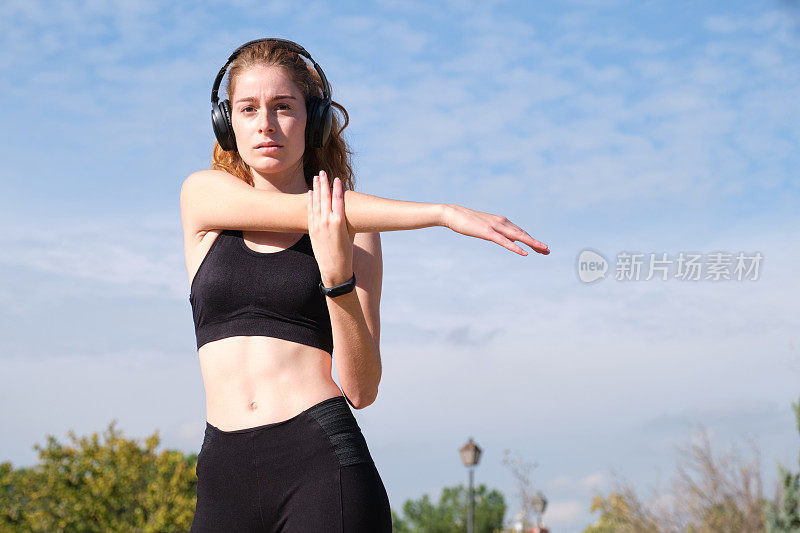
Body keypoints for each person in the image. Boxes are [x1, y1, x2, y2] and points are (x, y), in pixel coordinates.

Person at [180, 38, 549, 533]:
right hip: (224, 472)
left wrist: (337, 282)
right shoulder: (203, 198)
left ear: (314, 119)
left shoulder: (361, 233)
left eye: (284, 107)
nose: (265, 124)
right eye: (248, 109)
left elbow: (361, 386)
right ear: (228, 123)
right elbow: (313, 213)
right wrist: (441, 213)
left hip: (320, 463)